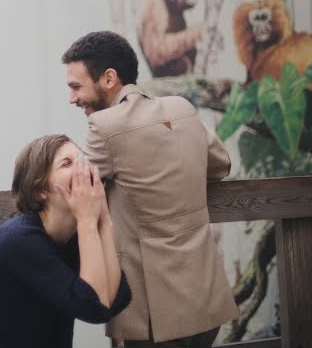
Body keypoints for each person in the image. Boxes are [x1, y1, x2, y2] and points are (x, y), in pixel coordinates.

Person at [61, 31, 238, 347]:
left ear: (109, 78)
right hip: (204, 296)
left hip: (154, 311)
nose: (72, 98)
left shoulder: (104, 127)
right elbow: (221, 165)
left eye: (76, 87)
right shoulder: (181, 108)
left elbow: (75, 191)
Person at [0, 134, 131, 348]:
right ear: (40, 190)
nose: (81, 169)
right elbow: (94, 308)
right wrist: (87, 221)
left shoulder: (76, 238)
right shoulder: (19, 239)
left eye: (83, 160)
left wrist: (103, 223)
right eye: (67, 163)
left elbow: (114, 301)